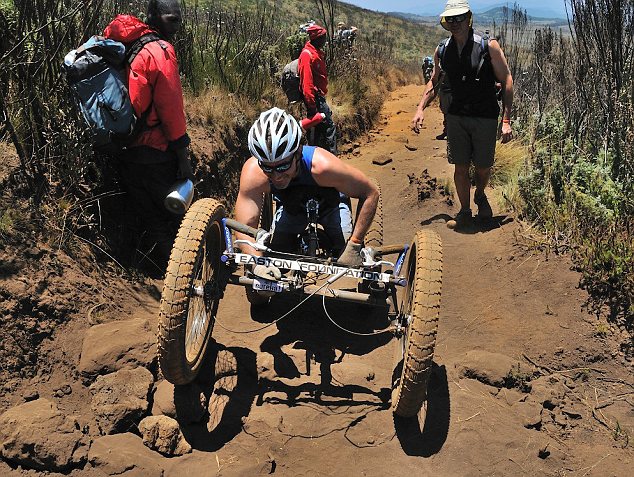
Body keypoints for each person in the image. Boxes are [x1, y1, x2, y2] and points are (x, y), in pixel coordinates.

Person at [233, 107, 379, 280]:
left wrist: (354, 244)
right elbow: (245, 228)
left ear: (297, 154)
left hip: (332, 205)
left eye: (282, 166)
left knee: (343, 250)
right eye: (267, 168)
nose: (276, 176)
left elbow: (370, 193)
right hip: (291, 208)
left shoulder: (323, 166)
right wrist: (258, 264)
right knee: (277, 254)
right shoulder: (254, 174)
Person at [103, 0, 194, 270]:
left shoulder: (128, 45)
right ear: (154, 16)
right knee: (172, 219)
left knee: (145, 214)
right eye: (171, 19)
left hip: (125, 147)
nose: (176, 26)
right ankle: (179, 278)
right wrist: (182, 155)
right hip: (156, 152)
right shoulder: (160, 51)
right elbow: (171, 109)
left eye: (178, 19)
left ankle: (138, 269)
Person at [411, 0, 513, 228]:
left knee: (484, 165)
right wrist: (420, 108)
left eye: (459, 18)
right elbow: (435, 81)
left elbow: (506, 79)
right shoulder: (442, 49)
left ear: (468, 18)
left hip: (485, 115)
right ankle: (465, 211)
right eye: (450, 19)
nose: (455, 23)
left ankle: (480, 194)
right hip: (457, 116)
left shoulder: (488, 45)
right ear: (445, 22)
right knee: (460, 166)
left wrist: (506, 120)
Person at [298, 24, 337, 154]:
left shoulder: (317, 53)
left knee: (320, 131)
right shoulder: (307, 54)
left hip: (318, 99)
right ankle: (332, 161)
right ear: (317, 38)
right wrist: (312, 105)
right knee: (328, 129)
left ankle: (319, 162)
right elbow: (307, 82)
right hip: (315, 100)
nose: (325, 41)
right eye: (323, 38)